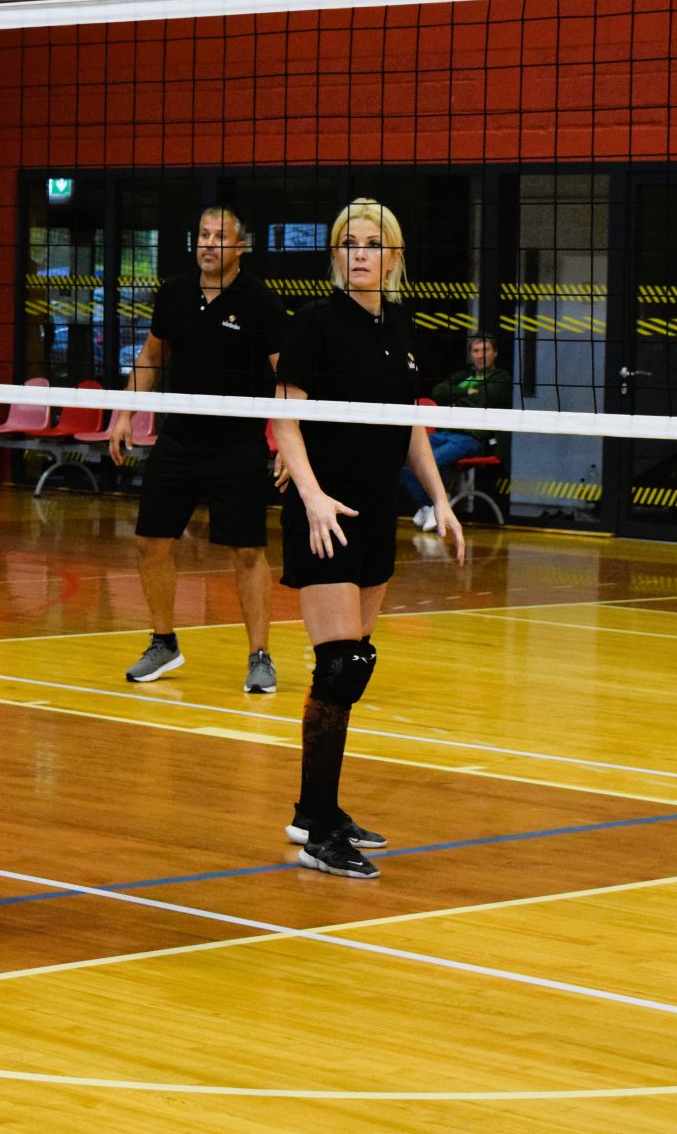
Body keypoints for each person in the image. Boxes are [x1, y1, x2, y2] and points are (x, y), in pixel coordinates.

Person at [270, 198, 464, 880]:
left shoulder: (401, 327)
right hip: (325, 512)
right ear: (336, 254)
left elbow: (409, 426)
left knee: (354, 666)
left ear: (394, 256)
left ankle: (314, 810)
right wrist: (312, 496)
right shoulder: (314, 324)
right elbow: (284, 422)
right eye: (349, 243)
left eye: (373, 243)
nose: (360, 253)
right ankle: (320, 832)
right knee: (338, 664)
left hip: (378, 511)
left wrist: (439, 499)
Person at [109, 207, 289, 693]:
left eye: (219, 236)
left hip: (238, 443)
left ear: (240, 246)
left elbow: (285, 378)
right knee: (150, 541)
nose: (208, 243)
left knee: (247, 551)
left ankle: (260, 656)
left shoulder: (261, 302)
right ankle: (163, 642)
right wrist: (123, 414)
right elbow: (150, 358)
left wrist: (288, 442)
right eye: (203, 235)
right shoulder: (174, 293)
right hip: (179, 439)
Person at [400, 332, 512, 531]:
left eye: (485, 350)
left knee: (431, 460)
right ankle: (427, 507)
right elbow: (438, 392)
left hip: (472, 438)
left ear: (495, 353)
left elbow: (482, 401)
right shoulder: (463, 376)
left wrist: (455, 401)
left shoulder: (501, 378)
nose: (480, 355)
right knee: (405, 457)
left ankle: (437, 505)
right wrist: (466, 392)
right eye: (476, 351)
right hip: (445, 433)